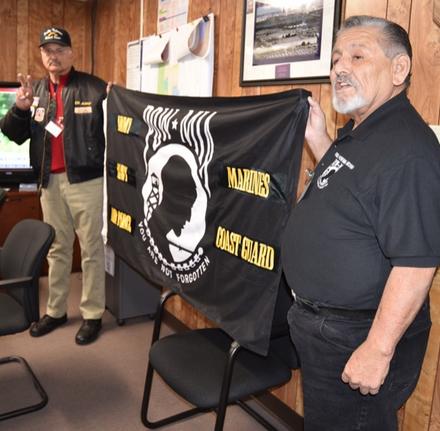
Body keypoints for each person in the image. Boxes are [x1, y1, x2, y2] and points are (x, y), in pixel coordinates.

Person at [281, 15, 440, 430]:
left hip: (357, 335)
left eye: (357, 56)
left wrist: (378, 349)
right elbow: (352, 189)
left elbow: (417, 263)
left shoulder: (408, 150)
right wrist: (318, 139)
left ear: (399, 69)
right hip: (327, 327)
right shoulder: (361, 131)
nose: (340, 68)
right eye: (336, 59)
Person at [0, 27, 107, 345]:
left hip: (86, 181)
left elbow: (117, 129)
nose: (54, 56)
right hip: (50, 181)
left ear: (71, 53)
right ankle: (56, 311)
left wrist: (118, 97)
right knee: (57, 248)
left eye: (60, 49)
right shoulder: (34, 91)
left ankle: (92, 315)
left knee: (91, 249)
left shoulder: (94, 88)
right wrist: (20, 108)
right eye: (48, 50)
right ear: (41, 55)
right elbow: (12, 134)